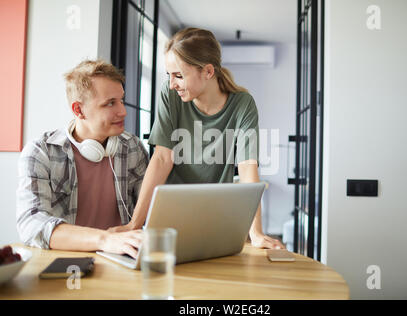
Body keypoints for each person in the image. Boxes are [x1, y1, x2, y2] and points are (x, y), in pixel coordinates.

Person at [111, 28, 284, 250]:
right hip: (169, 218)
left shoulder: (242, 105)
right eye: (169, 75)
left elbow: (248, 167)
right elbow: (162, 158)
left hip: (216, 220)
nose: (172, 83)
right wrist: (134, 224)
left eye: (179, 76)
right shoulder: (170, 95)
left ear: (208, 71)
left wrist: (256, 233)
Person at [16, 60, 148, 258]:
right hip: (65, 262)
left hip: (123, 258)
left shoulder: (133, 148)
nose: (123, 111)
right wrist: (105, 239)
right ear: (78, 110)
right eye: (110, 103)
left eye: (121, 100)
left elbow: (153, 212)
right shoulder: (40, 152)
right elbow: (32, 223)